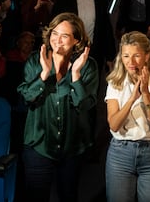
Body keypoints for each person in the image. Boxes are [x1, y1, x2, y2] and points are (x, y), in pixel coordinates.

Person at [17, 12, 98, 202]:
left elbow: (85, 105)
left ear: (76, 40)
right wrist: (44, 75)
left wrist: (76, 75)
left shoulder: (87, 66)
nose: (57, 40)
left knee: (68, 196)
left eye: (65, 36)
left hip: (72, 147)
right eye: (54, 33)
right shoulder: (35, 61)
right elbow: (26, 98)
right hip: (39, 145)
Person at [104, 31, 150, 202]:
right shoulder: (115, 83)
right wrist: (132, 98)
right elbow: (113, 124)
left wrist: (146, 93)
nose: (131, 62)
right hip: (120, 153)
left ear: (147, 56)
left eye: (136, 56)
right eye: (126, 56)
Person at [52, 0, 116, 75]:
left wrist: (110, 56)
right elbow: (54, 25)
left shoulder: (100, 0)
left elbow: (106, 28)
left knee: (93, 91)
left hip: (94, 54)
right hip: (68, 53)